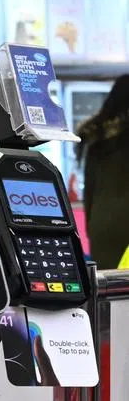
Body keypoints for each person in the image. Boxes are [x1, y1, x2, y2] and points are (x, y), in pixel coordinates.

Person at [79, 75, 129, 268]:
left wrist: (92, 228)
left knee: (109, 289)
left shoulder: (97, 140)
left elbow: (89, 191)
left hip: (102, 223)